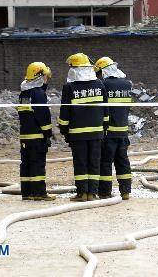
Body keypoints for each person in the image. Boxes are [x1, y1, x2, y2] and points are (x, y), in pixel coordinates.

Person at [59, 53, 105, 202]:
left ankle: (82, 193)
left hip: (77, 134)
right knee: (94, 162)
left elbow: (65, 112)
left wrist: (64, 131)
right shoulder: (99, 84)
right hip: (97, 133)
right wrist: (104, 127)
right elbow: (106, 110)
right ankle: (93, 193)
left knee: (81, 163)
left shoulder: (69, 87)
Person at [95, 57, 134, 200]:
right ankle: (125, 191)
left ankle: (104, 192)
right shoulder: (126, 84)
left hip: (108, 132)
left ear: (102, 71)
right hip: (123, 131)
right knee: (122, 161)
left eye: (97, 73)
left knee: (105, 162)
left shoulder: (102, 85)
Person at [18, 62, 55, 201]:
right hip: (37, 137)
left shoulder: (24, 93)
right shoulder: (38, 93)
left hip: (25, 137)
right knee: (38, 164)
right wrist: (48, 134)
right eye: (45, 76)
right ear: (39, 76)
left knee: (26, 164)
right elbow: (43, 115)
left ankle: (27, 193)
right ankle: (39, 193)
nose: (47, 79)